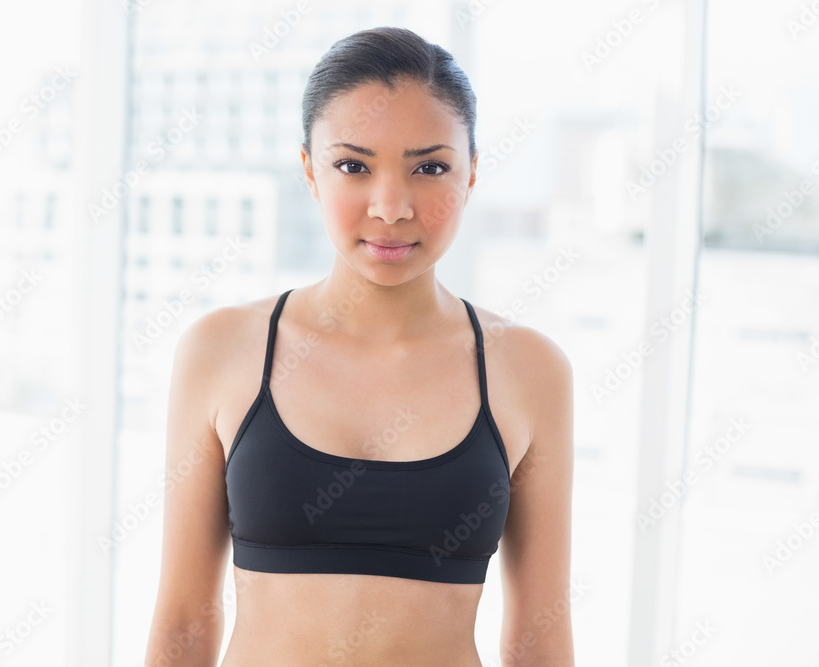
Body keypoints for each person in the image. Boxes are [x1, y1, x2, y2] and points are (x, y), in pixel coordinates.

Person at [145, 26, 574, 667]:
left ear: (472, 173)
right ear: (310, 171)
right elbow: (183, 625)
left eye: (430, 167)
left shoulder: (530, 369)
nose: (391, 206)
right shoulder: (221, 350)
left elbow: (538, 640)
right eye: (354, 165)